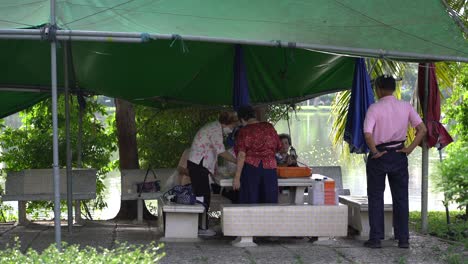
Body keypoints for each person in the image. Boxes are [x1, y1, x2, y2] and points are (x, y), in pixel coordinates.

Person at [363, 75, 427, 249]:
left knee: (376, 197)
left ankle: (376, 239)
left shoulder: (374, 108)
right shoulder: (405, 106)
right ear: (393, 89)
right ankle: (403, 239)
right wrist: (410, 148)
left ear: (379, 89)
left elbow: (368, 134)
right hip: (399, 153)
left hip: (380, 155)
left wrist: (375, 151)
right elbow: (422, 129)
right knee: (401, 197)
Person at [187, 111, 238, 236]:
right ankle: (201, 227)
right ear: (227, 123)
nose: (231, 130)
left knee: (202, 194)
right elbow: (221, 152)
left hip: (198, 164)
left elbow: (212, 151)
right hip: (198, 164)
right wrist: (238, 161)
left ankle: (201, 225)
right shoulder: (215, 130)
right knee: (203, 195)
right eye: (232, 127)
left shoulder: (214, 127)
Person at [233, 105, 282, 203]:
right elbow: (278, 147)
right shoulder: (269, 127)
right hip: (270, 168)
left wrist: (237, 177)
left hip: (252, 169)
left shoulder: (244, 131)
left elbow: (242, 155)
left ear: (242, 119)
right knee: (269, 201)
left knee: (250, 201)